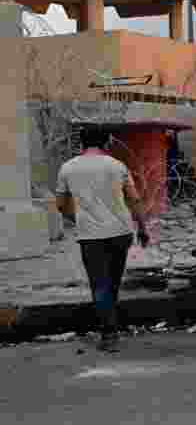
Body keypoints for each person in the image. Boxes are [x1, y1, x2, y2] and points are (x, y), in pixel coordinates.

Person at [55, 126, 150, 353]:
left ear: (82, 143)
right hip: (121, 232)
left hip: (90, 235)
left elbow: (60, 204)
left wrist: (77, 218)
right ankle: (110, 323)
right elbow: (134, 200)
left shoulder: (67, 168)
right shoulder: (117, 166)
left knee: (99, 283)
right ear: (106, 142)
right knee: (113, 281)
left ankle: (109, 333)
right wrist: (143, 228)